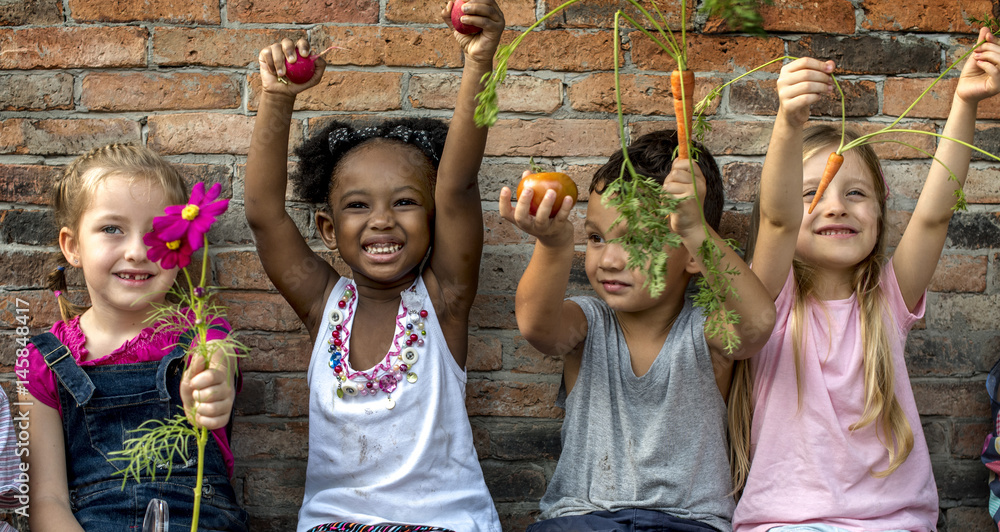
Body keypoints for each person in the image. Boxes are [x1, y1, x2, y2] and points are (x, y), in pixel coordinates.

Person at [244, 2, 504, 531]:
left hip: (445, 523)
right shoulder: (325, 305)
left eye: (406, 203)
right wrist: (276, 97)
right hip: (336, 523)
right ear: (326, 230)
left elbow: (456, 186)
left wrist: (479, 62)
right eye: (358, 206)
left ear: (434, 221)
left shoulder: (444, 299)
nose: (382, 221)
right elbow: (265, 216)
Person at [732, 27, 1000, 532]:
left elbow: (933, 217)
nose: (835, 204)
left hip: (895, 522)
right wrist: (788, 121)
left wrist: (965, 102)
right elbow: (777, 221)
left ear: (879, 214)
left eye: (855, 193)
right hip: (788, 523)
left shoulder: (888, 300)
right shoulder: (769, 298)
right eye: (814, 192)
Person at [503, 130, 776, 532]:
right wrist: (554, 244)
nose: (609, 259)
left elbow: (757, 325)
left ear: (692, 255)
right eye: (596, 238)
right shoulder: (588, 322)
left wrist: (698, 230)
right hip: (582, 519)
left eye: (636, 240)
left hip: (687, 523)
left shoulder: (707, 331)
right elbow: (536, 326)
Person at [20, 143, 247, 531]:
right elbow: (46, 499)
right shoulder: (42, 361)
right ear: (72, 246)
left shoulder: (204, 335)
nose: (138, 251)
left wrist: (211, 389)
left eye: (158, 232)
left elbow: (216, 368)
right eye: (112, 229)